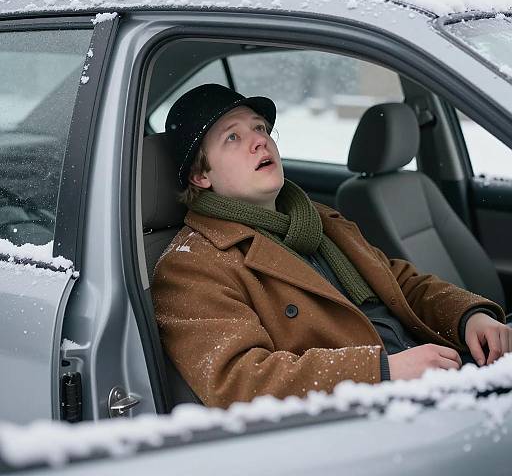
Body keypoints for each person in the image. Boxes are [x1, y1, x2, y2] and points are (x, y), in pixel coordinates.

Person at [152, 83, 511, 409]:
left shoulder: (317, 219)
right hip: (369, 415)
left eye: (260, 127)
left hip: (435, 377)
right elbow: (241, 380)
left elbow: (400, 284)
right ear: (201, 175)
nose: (259, 140)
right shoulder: (190, 266)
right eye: (233, 137)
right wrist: (381, 372)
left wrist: (468, 318)